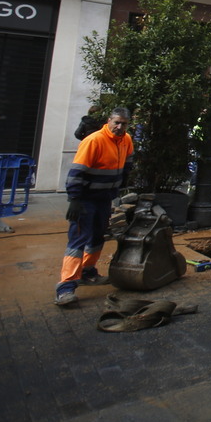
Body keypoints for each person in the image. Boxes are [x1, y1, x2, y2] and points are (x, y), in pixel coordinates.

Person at [56, 107, 134, 306]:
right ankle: (66, 287)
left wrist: (122, 182)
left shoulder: (126, 140)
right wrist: (74, 199)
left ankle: (88, 272)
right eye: (116, 122)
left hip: (104, 198)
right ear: (108, 121)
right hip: (86, 198)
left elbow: (128, 162)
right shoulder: (94, 141)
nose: (119, 127)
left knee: (97, 236)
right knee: (78, 240)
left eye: (124, 124)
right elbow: (77, 171)